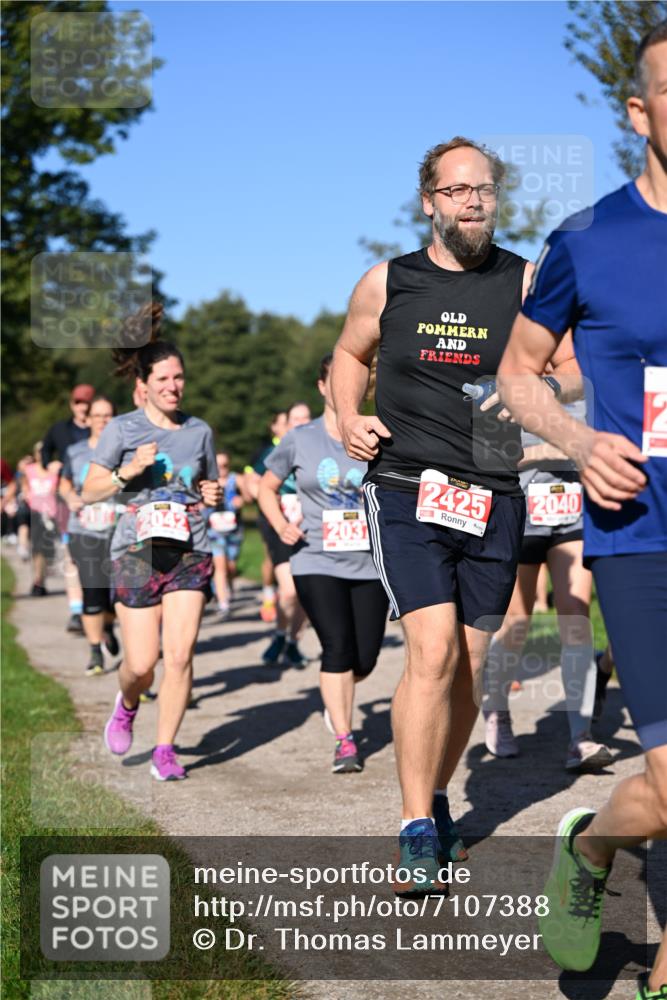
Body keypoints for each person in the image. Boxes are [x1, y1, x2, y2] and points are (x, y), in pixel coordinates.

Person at [331, 136, 580, 892]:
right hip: (405, 485)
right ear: (428, 202)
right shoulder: (388, 281)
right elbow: (348, 355)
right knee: (432, 650)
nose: (473, 201)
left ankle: (436, 793)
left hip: (494, 490)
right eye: (458, 190)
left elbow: (571, 366)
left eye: (485, 189)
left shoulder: (526, 281)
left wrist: (541, 390)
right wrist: (348, 415)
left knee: (470, 664)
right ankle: (414, 828)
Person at [497, 23, 667, 999]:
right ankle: (593, 844)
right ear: (638, 112)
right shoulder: (587, 239)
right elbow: (517, 374)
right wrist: (575, 441)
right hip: (641, 534)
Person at [82, 303, 222, 781]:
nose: (173, 386)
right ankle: (127, 704)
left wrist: (212, 493)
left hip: (189, 550)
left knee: (179, 656)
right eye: (163, 379)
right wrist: (128, 471)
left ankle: (165, 749)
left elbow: (208, 487)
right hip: (136, 553)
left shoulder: (199, 431)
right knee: (141, 664)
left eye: (178, 377)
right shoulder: (122, 429)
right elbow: (90, 490)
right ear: (144, 384)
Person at [259, 354, 389, 773]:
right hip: (315, 558)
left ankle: (338, 699)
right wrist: (281, 525)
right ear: (321, 387)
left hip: (369, 562)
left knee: (364, 659)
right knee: (336, 646)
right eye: (336, 379)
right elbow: (265, 487)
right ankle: (345, 740)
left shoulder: (379, 432)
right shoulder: (299, 438)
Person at [483, 398, 613, 772]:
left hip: (573, 515)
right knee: (516, 624)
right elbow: (493, 458)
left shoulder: (587, 393)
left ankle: (580, 737)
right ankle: (497, 707)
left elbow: (602, 446)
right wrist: (552, 449)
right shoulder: (512, 389)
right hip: (520, 516)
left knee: (576, 620)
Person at [60, 396, 121, 675]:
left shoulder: (125, 451)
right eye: (97, 415)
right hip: (83, 530)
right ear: (89, 419)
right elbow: (64, 483)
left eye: (108, 415)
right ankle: (95, 652)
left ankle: (108, 625)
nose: (102, 420)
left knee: (116, 593)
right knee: (92, 590)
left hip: (118, 529)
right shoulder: (76, 451)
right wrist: (70, 497)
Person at [249, 403, 312, 668]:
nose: (301, 423)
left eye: (306, 418)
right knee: (289, 590)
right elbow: (253, 482)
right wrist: (268, 499)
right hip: (280, 526)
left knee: (306, 590)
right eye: (295, 419)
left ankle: (292, 643)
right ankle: (279, 633)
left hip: (310, 525)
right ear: (286, 424)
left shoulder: (317, 449)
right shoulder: (273, 451)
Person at [42, 383, 96, 634]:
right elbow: (45, 450)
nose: (82, 407)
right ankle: (77, 610)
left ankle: (100, 607)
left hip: (100, 500)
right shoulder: (59, 429)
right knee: (71, 555)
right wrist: (50, 464)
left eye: (86, 403)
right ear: (72, 404)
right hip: (68, 500)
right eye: (78, 402)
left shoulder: (103, 429)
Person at [242, 410, 288, 622]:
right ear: (274, 427)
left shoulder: (304, 445)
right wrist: (263, 496)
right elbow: (250, 477)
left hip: (299, 512)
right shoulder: (268, 451)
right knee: (272, 556)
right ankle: (269, 594)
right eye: (284, 422)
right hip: (272, 513)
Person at [205, 450, 245, 620]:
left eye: (224, 465)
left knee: (230, 567)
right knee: (220, 566)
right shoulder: (207, 481)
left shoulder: (236, 479)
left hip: (233, 529)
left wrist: (242, 500)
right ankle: (223, 604)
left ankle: (227, 587)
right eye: (218, 465)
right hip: (213, 530)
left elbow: (250, 496)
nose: (221, 469)